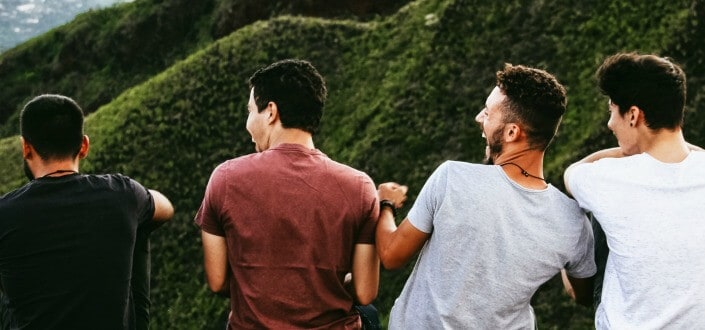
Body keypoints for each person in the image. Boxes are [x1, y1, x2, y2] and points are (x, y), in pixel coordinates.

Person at [376, 64, 596, 328]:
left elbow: (391, 255)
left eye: (488, 113)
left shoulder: (452, 178)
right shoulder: (572, 221)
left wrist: (385, 202)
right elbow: (583, 295)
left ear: (512, 132)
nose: (479, 118)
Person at [195, 59, 380, 329]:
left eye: (250, 112)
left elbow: (218, 281)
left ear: (271, 111)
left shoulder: (224, 178)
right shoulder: (360, 187)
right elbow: (364, 292)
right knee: (370, 314)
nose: (248, 124)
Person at [0, 94, 174, 329]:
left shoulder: (6, 212)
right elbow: (165, 208)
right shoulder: (121, 194)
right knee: (141, 226)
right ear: (84, 146)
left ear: (26, 148)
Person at [564, 52, 705, 329]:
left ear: (633, 115)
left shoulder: (607, 177)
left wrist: (628, 153)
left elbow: (571, 174)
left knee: (584, 214)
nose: (609, 124)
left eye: (611, 111)